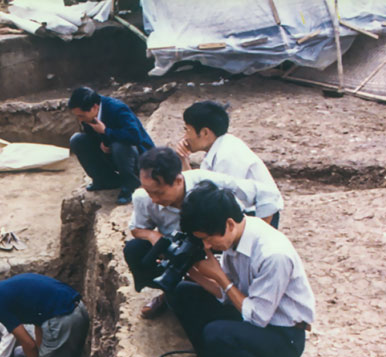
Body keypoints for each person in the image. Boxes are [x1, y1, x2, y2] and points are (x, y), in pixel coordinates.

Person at [168, 181, 315, 357]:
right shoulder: (235, 235)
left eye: (208, 239)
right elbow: (228, 297)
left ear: (228, 223)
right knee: (183, 292)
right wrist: (197, 276)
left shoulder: (273, 254)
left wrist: (219, 276)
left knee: (217, 333)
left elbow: (256, 316)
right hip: (254, 315)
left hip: (283, 337)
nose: (207, 246)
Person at [123, 146, 283, 319]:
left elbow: (268, 195)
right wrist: (153, 236)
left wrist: (255, 237)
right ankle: (166, 291)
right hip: (180, 246)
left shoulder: (209, 184)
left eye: (159, 193)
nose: (153, 199)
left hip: (215, 240)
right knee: (135, 250)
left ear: (178, 180)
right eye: (148, 192)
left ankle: (225, 298)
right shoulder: (143, 197)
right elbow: (136, 229)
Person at [175, 100, 282, 228]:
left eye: (187, 130)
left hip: (259, 215)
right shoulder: (217, 149)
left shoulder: (227, 155)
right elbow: (196, 188)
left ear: (204, 132)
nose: (185, 136)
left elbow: (221, 202)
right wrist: (183, 159)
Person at [68, 86, 154, 205]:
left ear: (94, 107)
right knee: (77, 140)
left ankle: (131, 183)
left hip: (138, 158)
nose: (80, 120)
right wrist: (104, 142)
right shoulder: (89, 116)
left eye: (81, 115)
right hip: (111, 153)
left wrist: (106, 132)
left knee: (120, 145)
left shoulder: (117, 109)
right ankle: (105, 180)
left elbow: (135, 136)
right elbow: (92, 136)